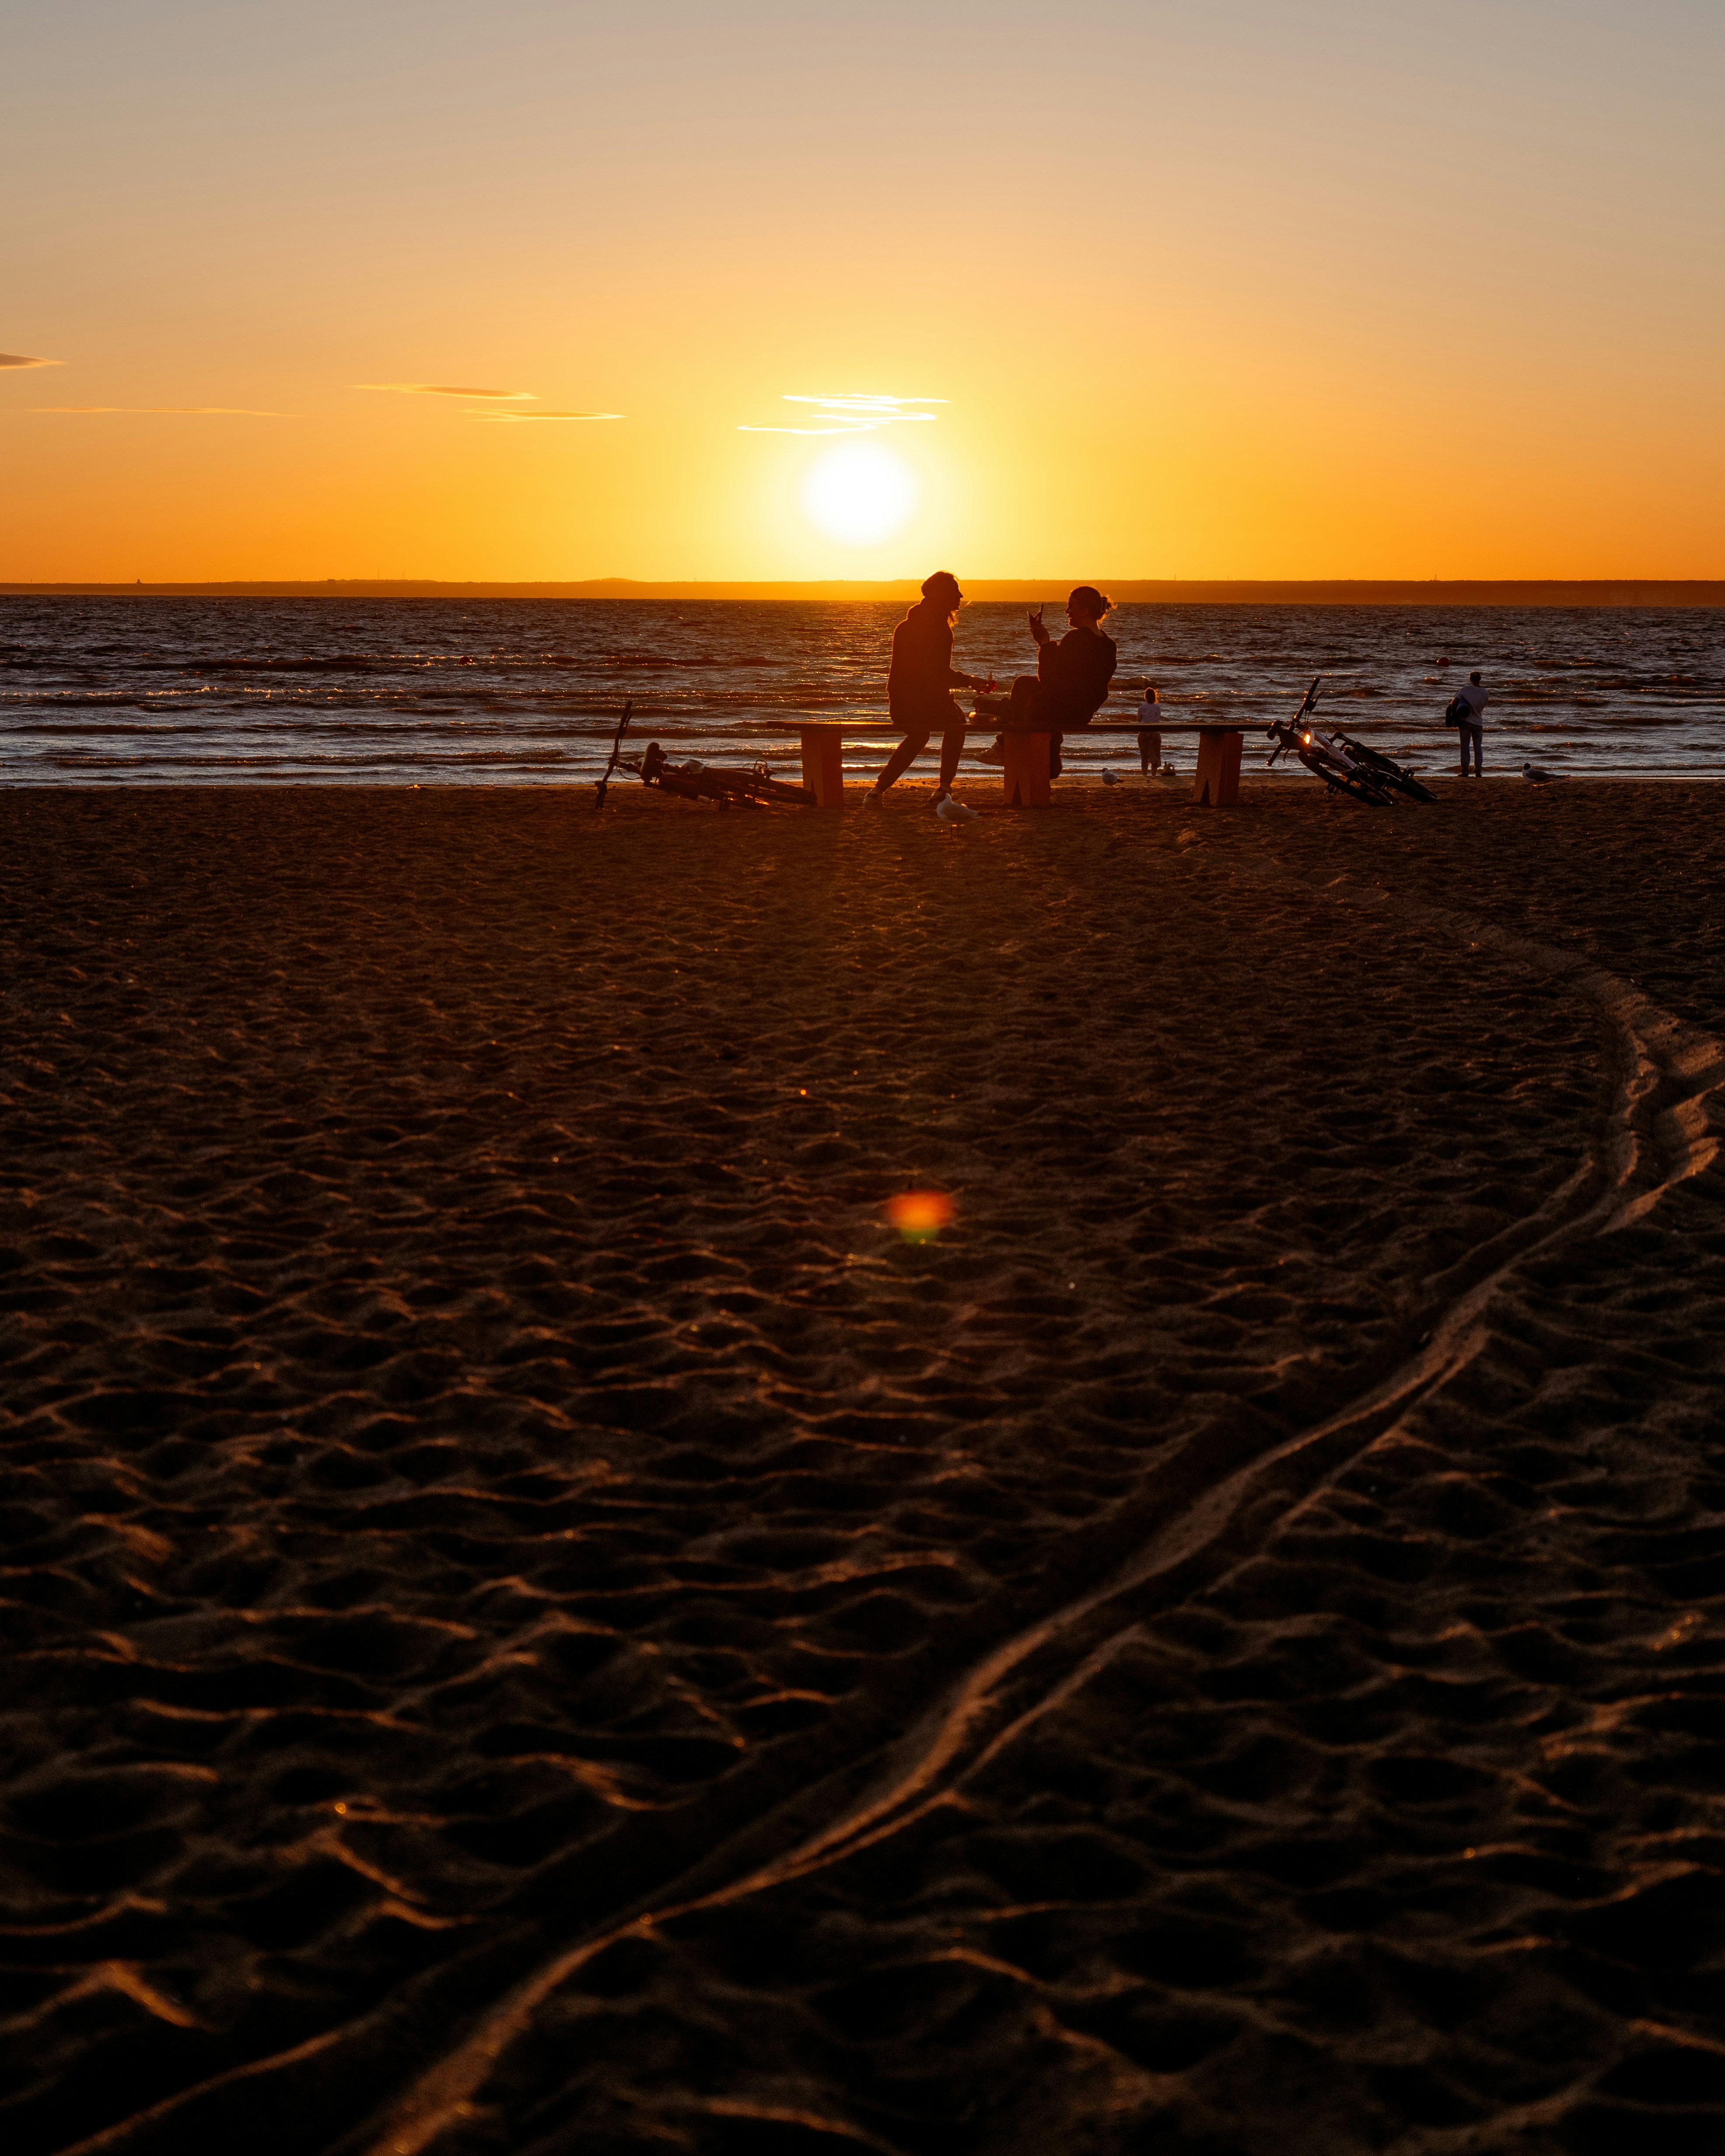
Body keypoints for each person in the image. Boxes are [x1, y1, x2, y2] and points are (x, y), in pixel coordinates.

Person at [865, 571, 992, 807]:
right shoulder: (939, 628)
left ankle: (878, 791)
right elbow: (937, 675)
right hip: (925, 704)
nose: (961, 595)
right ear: (940, 594)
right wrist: (971, 681)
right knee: (958, 723)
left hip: (902, 705)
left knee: (919, 735)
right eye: (955, 590)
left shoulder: (907, 625)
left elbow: (910, 675)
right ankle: (944, 789)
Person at [973, 586, 1117, 779]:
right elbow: (1090, 686)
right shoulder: (1108, 645)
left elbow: (1049, 678)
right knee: (1025, 688)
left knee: (1023, 688)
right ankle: (1004, 725)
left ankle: (1002, 738)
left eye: (1071, 607)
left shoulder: (1076, 639)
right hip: (1082, 713)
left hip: (1062, 710)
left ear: (1085, 611)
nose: (1067, 612)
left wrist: (1045, 644)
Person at [1454, 668, 1488, 778]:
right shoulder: (1485, 692)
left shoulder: (1465, 689)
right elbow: (1482, 707)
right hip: (1479, 723)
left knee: (1465, 747)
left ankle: (1465, 771)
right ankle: (1478, 771)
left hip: (1466, 722)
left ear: (1470, 679)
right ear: (1480, 679)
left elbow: (1453, 703)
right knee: (1478, 748)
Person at [1135, 680, 1163, 774]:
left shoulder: (1141, 708)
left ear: (1145, 697)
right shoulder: (1157, 708)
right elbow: (1158, 717)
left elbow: (1139, 720)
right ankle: (1154, 775)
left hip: (1144, 733)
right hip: (1155, 733)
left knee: (1144, 756)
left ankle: (1145, 775)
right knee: (1156, 754)